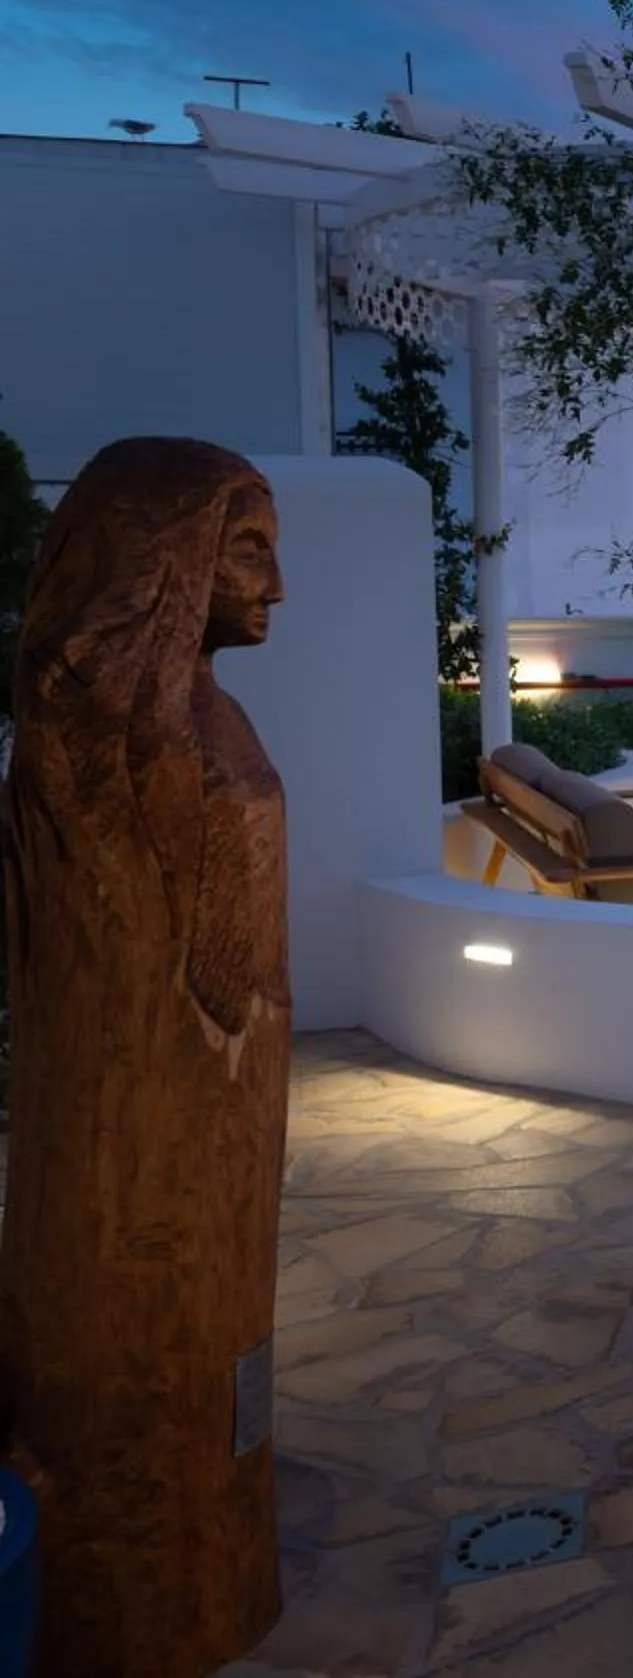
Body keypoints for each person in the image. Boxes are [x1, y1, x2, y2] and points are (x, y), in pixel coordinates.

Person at [0, 437, 291, 1672]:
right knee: (146, 1337)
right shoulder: (92, 739)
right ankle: (143, 1563)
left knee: (220, 1346)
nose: (274, 587)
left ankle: (219, 1511)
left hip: (226, 1102)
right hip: (143, 1116)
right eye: (250, 552)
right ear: (164, 558)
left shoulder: (202, 713)